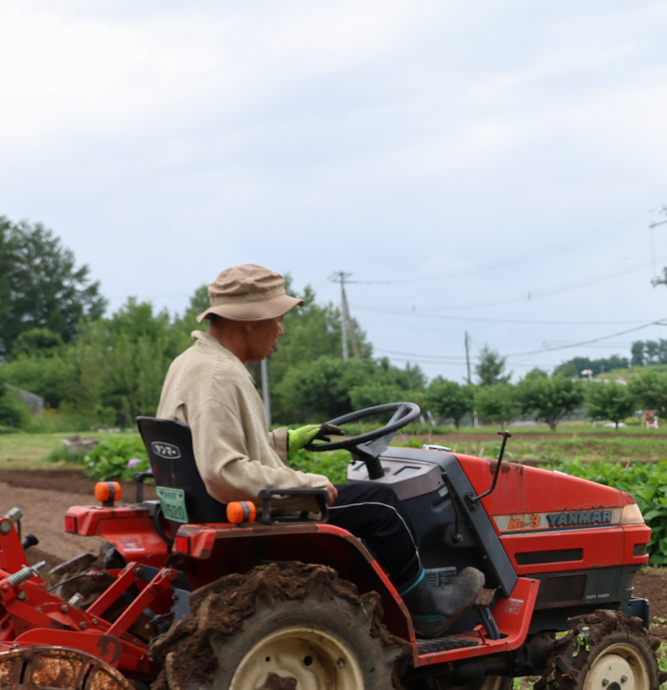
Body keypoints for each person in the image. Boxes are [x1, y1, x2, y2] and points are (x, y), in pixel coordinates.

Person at [156, 263, 484, 638]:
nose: (281, 329)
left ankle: (387, 595)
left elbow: (214, 442)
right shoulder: (220, 374)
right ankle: (426, 609)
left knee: (369, 501)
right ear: (249, 320)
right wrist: (307, 483)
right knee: (381, 505)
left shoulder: (191, 362)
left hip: (209, 507)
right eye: (278, 318)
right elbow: (223, 470)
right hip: (248, 510)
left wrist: (284, 441)